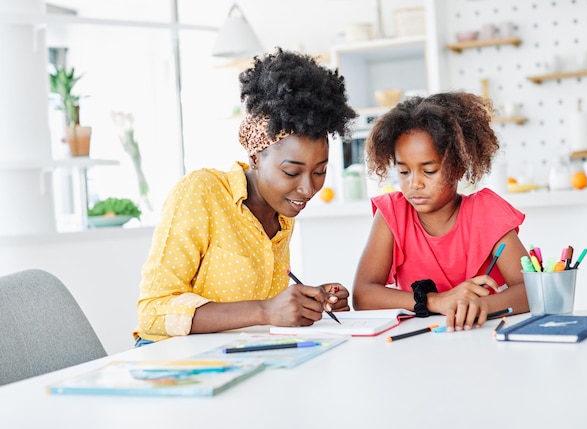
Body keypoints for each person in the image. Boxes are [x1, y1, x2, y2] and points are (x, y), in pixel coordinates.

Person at [134, 48, 357, 345]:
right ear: (256, 158)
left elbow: (255, 313)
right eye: (291, 172)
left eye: (320, 171)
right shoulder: (202, 192)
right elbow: (153, 313)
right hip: (171, 362)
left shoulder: (281, 212)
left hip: (233, 357)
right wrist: (265, 311)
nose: (307, 189)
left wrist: (308, 304)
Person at [352, 91, 529, 333]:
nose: (415, 184)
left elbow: (530, 288)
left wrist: (479, 305)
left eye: (429, 171)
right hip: (419, 347)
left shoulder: (486, 212)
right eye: (404, 172)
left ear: (457, 167)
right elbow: (363, 295)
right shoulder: (392, 213)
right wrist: (437, 301)